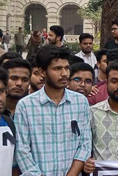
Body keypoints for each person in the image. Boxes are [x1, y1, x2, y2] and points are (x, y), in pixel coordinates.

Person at [15, 46, 92, 176]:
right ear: (42, 72)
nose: (64, 74)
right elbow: (22, 150)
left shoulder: (80, 102)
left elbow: (85, 144)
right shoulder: (26, 106)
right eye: (57, 69)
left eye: (66, 68)